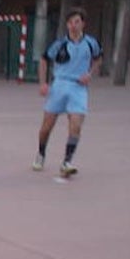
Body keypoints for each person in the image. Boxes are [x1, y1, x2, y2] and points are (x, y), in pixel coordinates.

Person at [33, 9, 102, 177]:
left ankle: (67, 161)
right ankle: (41, 153)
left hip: (78, 88)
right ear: (67, 25)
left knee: (76, 125)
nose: (74, 25)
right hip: (59, 85)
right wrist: (43, 83)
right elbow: (43, 60)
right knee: (46, 127)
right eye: (71, 22)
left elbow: (98, 58)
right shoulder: (59, 44)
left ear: (83, 24)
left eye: (77, 21)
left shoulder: (91, 43)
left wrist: (90, 73)